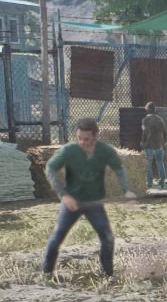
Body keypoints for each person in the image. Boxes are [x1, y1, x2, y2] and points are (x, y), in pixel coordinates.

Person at [41, 117, 136, 278]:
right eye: (79, 138)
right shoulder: (69, 150)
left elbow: (119, 168)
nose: (82, 142)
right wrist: (63, 195)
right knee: (57, 236)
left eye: (86, 139)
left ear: (95, 136)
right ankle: (46, 273)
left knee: (107, 238)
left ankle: (107, 274)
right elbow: (50, 167)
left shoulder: (104, 150)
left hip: (94, 203)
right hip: (72, 203)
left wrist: (126, 190)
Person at [141, 102, 167, 189]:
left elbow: (145, 132)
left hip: (150, 144)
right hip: (160, 144)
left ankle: (150, 183)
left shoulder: (146, 119)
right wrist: (164, 143)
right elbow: (165, 133)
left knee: (148, 164)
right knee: (160, 162)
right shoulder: (160, 119)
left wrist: (143, 142)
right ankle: (162, 183)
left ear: (147, 110)